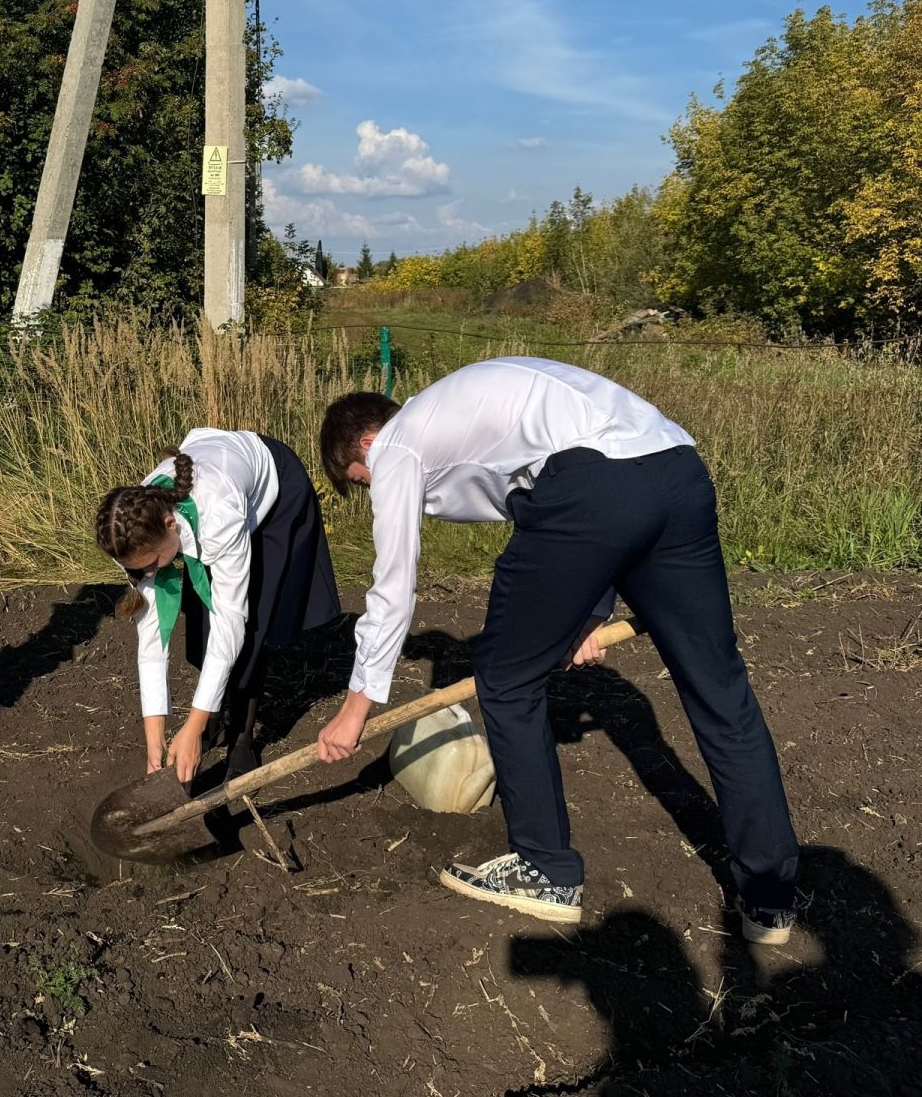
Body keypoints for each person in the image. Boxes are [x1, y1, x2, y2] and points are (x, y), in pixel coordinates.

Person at [313, 358, 799, 942]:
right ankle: (770, 897)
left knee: (506, 679)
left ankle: (544, 870)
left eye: (362, 479)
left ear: (367, 442)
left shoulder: (400, 442)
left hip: (594, 487)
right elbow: (575, 496)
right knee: (720, 687)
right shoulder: (468, 414)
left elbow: (393, 588)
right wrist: (591, 612)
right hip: (677, 471)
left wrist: (357, 706)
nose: (376, 490)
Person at [96, 429, 342, 786]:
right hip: (208, 506)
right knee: (200, 622)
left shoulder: (218, 514)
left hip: (273, 494)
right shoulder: (129, 531)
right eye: (137, 569)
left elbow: (231, 619)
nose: (144, 574)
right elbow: (152, 636)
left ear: (169, 525)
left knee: (252, 620)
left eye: (149, 565)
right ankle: (209, 715)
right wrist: (154, 737)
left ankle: (241, 736)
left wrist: (191, 725)